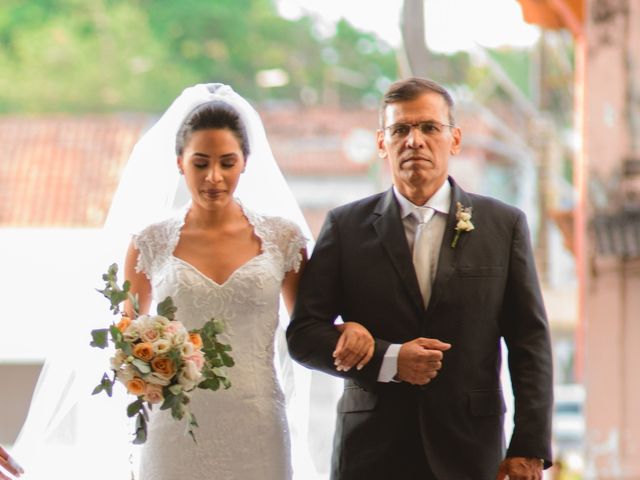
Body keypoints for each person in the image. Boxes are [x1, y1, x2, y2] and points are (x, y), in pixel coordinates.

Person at [286, 77, 554, 480]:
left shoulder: (504, 225)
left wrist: (529, 447)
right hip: (371, 451)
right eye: (400, 130)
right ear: (382, 143)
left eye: (430, 127)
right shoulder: (346, 226)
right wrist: (387, 358)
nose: (415, 141)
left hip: (471, 450)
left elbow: (529, 342)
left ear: (455, 139)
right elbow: (304, 334)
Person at [122, 84, 371, 479]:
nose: (214, 177)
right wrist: (141, 364)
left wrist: (352, 328)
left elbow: (310, 328)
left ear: (245, 163)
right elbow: (127, 338)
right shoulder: (148, 243)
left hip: (257, 426)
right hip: (174, 431)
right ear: (179, 163)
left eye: (227, 162)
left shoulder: (282, 238)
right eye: (200, 163)